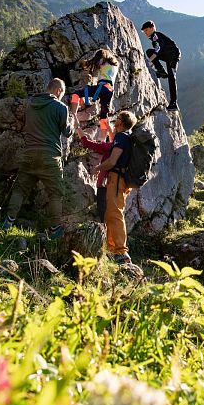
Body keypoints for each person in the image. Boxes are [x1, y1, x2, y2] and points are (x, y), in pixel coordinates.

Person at [0, 78, 73, 239]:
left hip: (29, 154)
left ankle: (7, 222)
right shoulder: (60, 107)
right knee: (55, 193)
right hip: (50, 157)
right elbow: (67, 132)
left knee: (20, 189)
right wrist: (72, 120)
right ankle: (55, 230)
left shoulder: (31, 104)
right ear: (59, 91)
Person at [95, 110, 137, 264]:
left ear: (121, 122)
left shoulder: (122, 137)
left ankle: (121, 252)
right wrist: (106, 124)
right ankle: (112, 249)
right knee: (111, 213)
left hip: (117, 179)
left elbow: (112, 161)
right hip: (121, 180)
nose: (116, 119)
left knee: (115, 214)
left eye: (118, 118)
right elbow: (114, 141)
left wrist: (97, 168)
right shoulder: (125, 136)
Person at [70, 48, 119, 141]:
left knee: (76, 94)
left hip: (102, 87)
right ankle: (102, 139)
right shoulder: (115, 64)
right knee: (104, 115)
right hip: (109, 90)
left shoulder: (102, 60)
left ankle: (73, 115)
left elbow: (88, 63)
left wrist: (84, 63)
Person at [141, 21, 181, 112]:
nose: (145, 33)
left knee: (171, 78)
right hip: (167, 55)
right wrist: (152, 62)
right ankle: (161, 71)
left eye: (146, 30)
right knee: (149, 52)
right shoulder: (153, 38)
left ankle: (173, 103)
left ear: (152, 28)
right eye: (144, 31)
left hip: (173, 56)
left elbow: (158, 50)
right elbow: (157, 51)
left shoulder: (156, 36)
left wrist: (148, 62)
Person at [78, 131, 114, 222]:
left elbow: (86, 143)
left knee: (103, 214)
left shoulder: (109, 147)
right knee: (112, 214)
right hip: (117, 186)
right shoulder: (123, 147)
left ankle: (104, 229)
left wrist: (77, 127)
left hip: (104, 185)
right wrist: (109, 129)